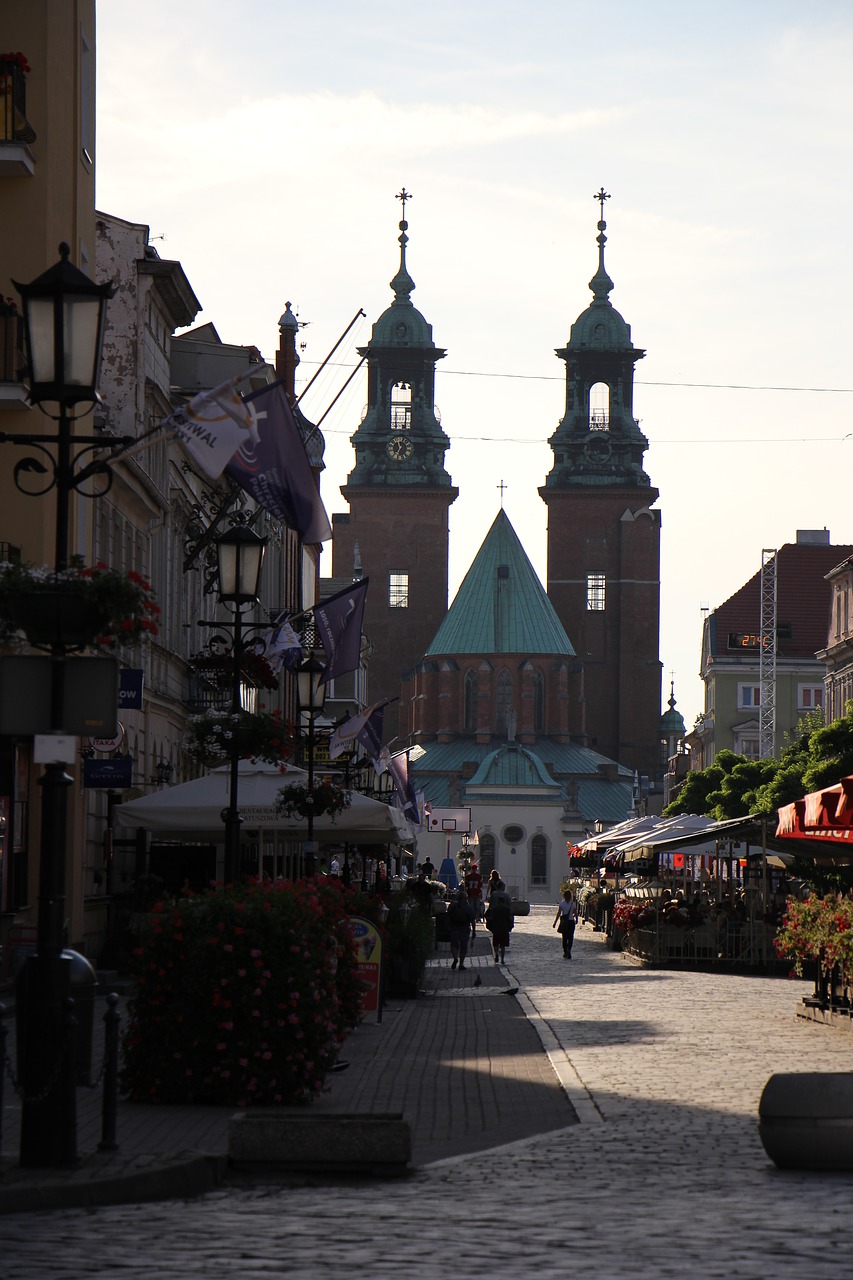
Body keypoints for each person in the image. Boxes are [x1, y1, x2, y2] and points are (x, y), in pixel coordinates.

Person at [484, 879, 513, 964]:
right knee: (503, 944)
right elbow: (510, 911)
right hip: (504, 924)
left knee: (495, 942)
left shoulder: (494, 894)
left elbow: (490, 906)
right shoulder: (506, 896)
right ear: (503, 887)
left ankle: (496, 954)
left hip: (495, 922)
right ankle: (502, 960)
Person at [446, 887, 476, 969]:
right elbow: (472, 920)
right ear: (466, 898)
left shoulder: (452, 906)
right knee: (463, 946)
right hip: (464, 928)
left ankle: (455, 958)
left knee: (454, 945)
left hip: (454, 927)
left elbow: (448, 916)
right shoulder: (468, 907)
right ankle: (461, 964)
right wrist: (474, 931)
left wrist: (448, 927)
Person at [553, 888, 578, 958]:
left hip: (564, 922)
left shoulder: (562, 904)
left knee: (564, 938)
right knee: (570, 937)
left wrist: (555, 922)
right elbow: (575, 913)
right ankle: (569, 950)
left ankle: (565, 951)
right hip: (571, 922)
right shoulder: (573, 904)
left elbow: (558, 913)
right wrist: (577, 919)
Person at [464, 862, 484, 935]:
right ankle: (476, 917)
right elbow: (480, 886)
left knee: (472, 907)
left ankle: (473, 918)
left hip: (471, 893)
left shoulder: (468, 877)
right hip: (476, 893)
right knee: (476, 907)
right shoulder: (479, 877)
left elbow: (466, 886)